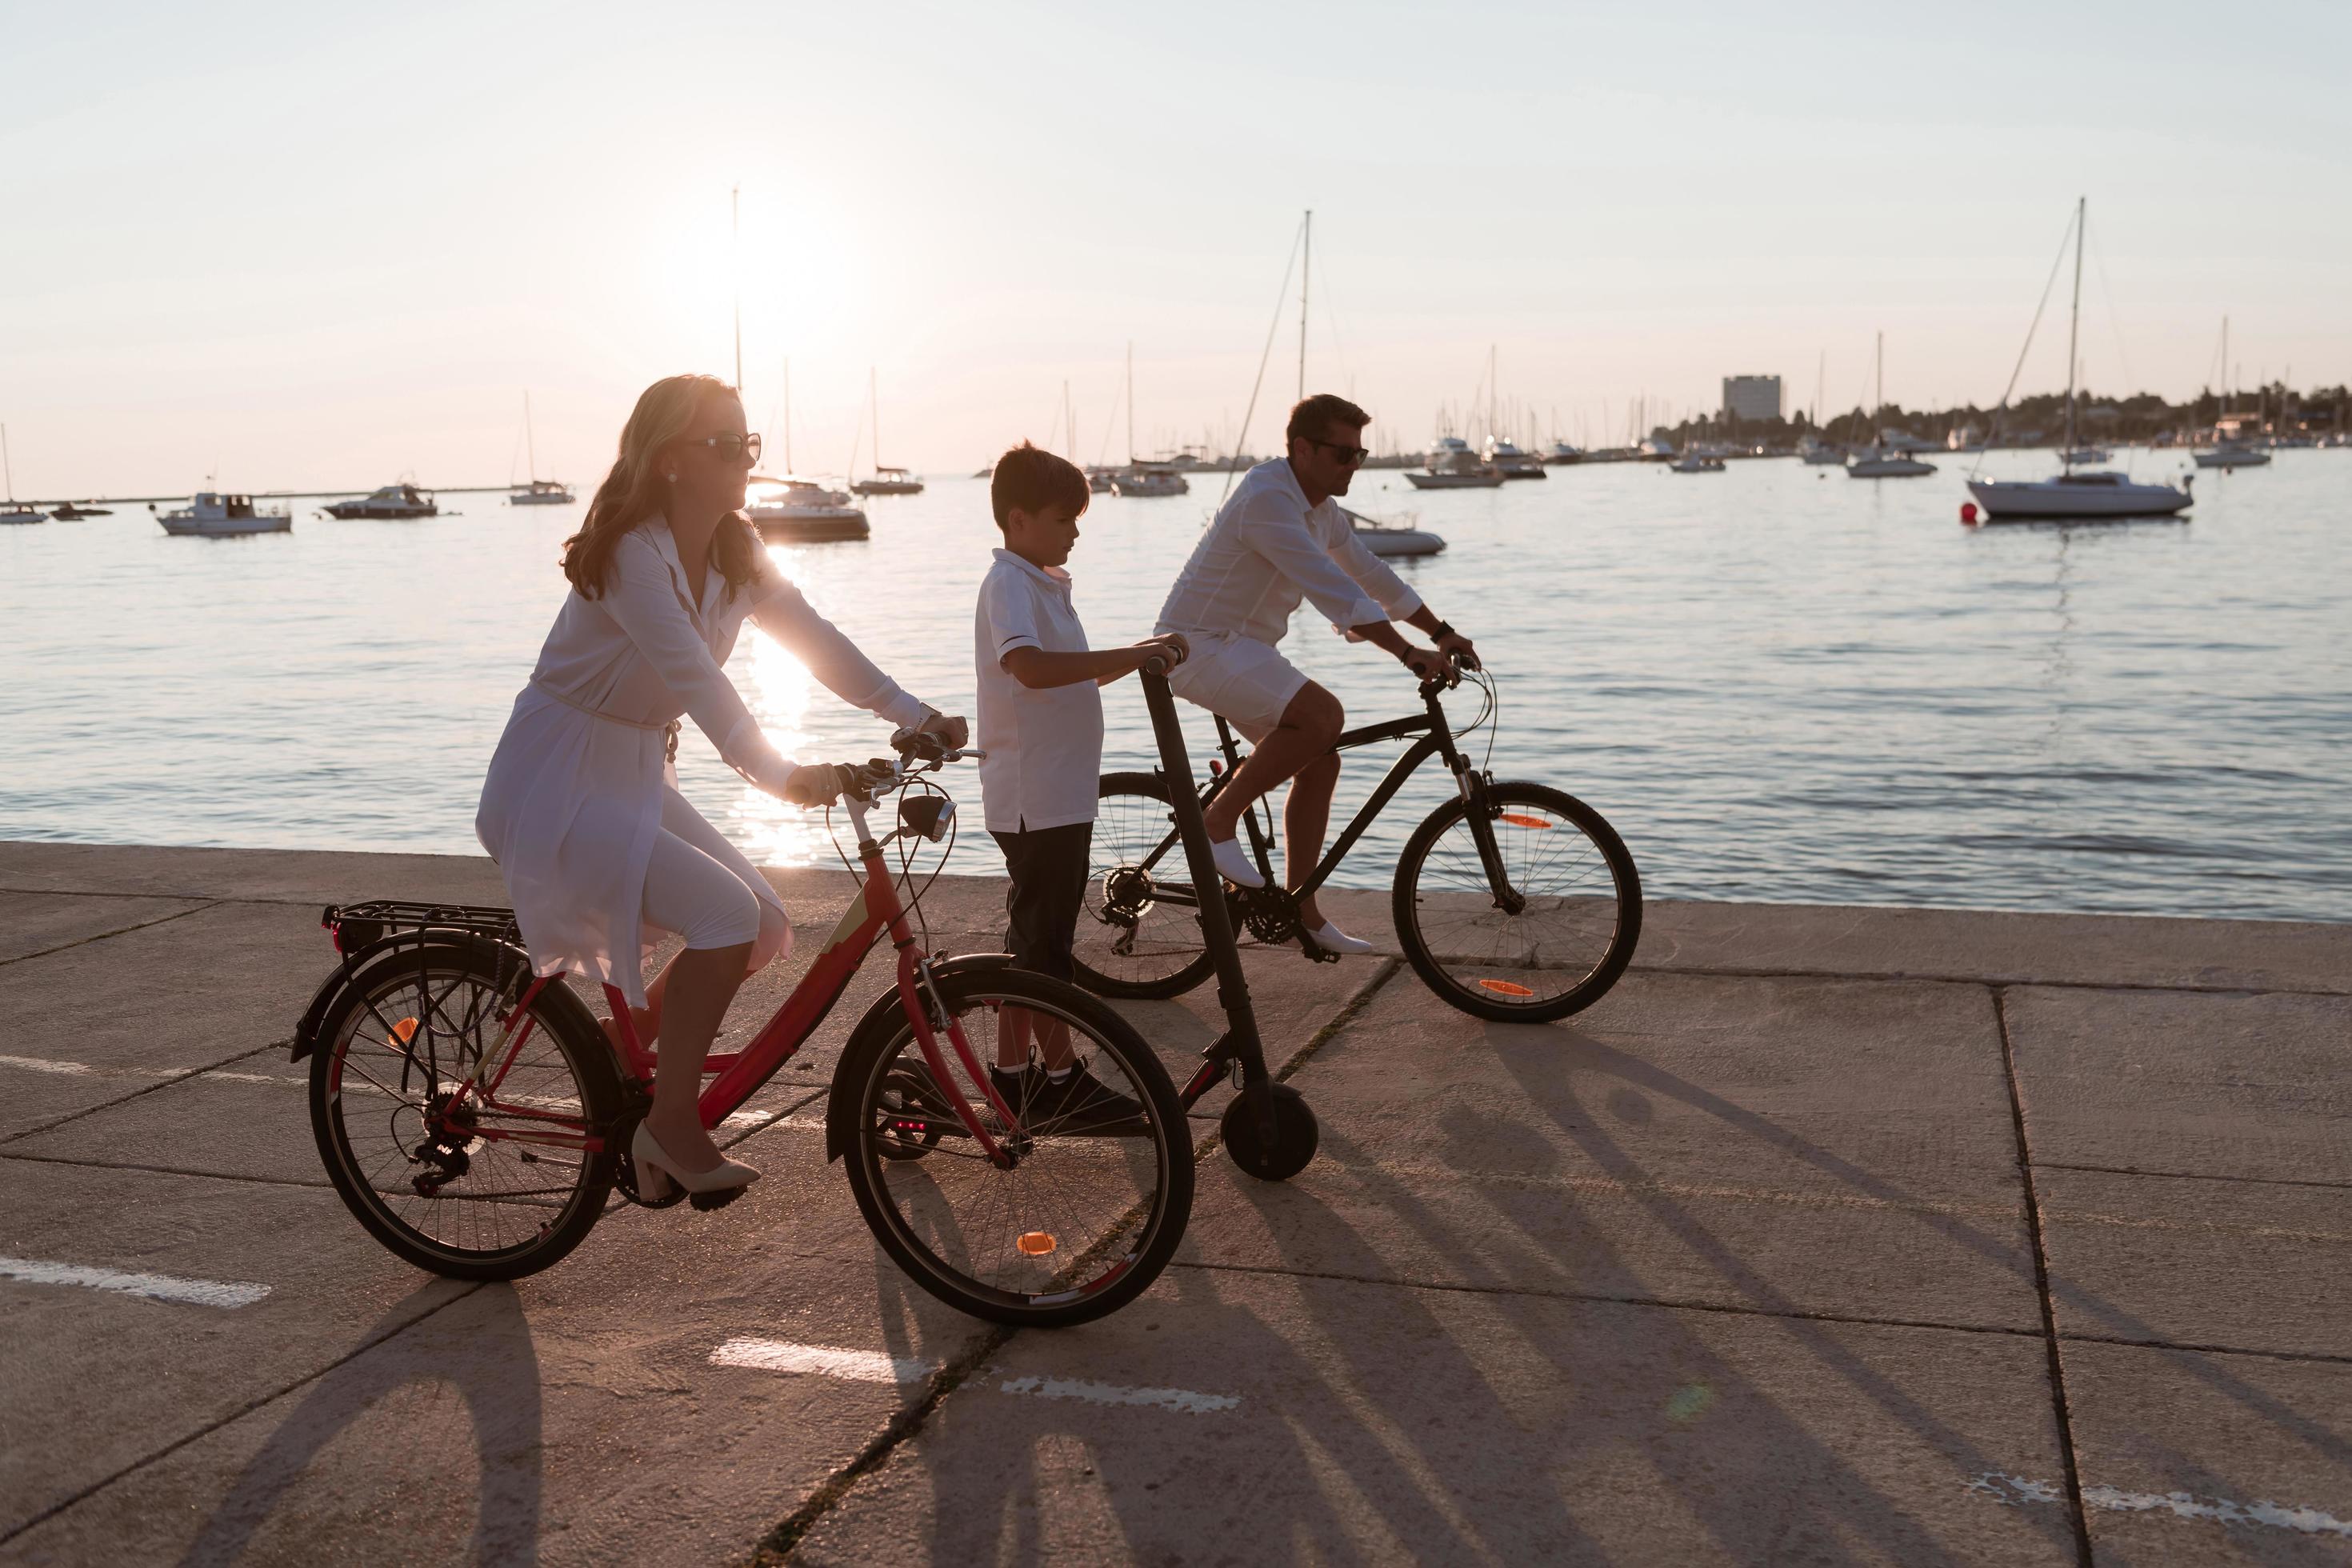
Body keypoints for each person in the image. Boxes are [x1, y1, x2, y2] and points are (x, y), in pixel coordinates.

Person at [475, 374, 962, 1198]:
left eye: (749, 442)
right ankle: (670, 1126)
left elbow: (816, 639)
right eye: (724, 443)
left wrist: (916, 713)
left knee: (765, 924)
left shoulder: (735, 550)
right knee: (725, 916)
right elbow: (699, 682)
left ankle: (616, 1049)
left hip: (629, 768)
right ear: (669, 462)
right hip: (555, 778)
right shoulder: (635, 552)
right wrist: (778, 775)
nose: (744, 457)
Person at [1155, 394, 1478, 954]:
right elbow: (1336, 592)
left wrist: (1441, 631)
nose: (1353, 465)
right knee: (1324, 715)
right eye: (1342, 454)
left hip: (1244, 648)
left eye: (1360, 454)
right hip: (1200, 647)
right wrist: (1406, 653)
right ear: (1302, 450)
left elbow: (1371, 574)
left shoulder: (1321, 509)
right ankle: (1216, 821)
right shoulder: (1268, 499)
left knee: (1320, 761)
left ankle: (1303, 911)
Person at [974, 442, 1188, 1126]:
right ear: (1018, 519)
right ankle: (1059, 1078)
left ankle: (1012, 1078)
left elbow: (1080, 671)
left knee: (1032, 944)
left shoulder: (1044, 583)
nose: (1075, 530)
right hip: (1036, 797)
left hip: (1060, 791)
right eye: (1064, 517)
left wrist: (1143, 652)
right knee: (1045, 954)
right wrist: (1137, 653)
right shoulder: (1009, 584)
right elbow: (1031, 669)